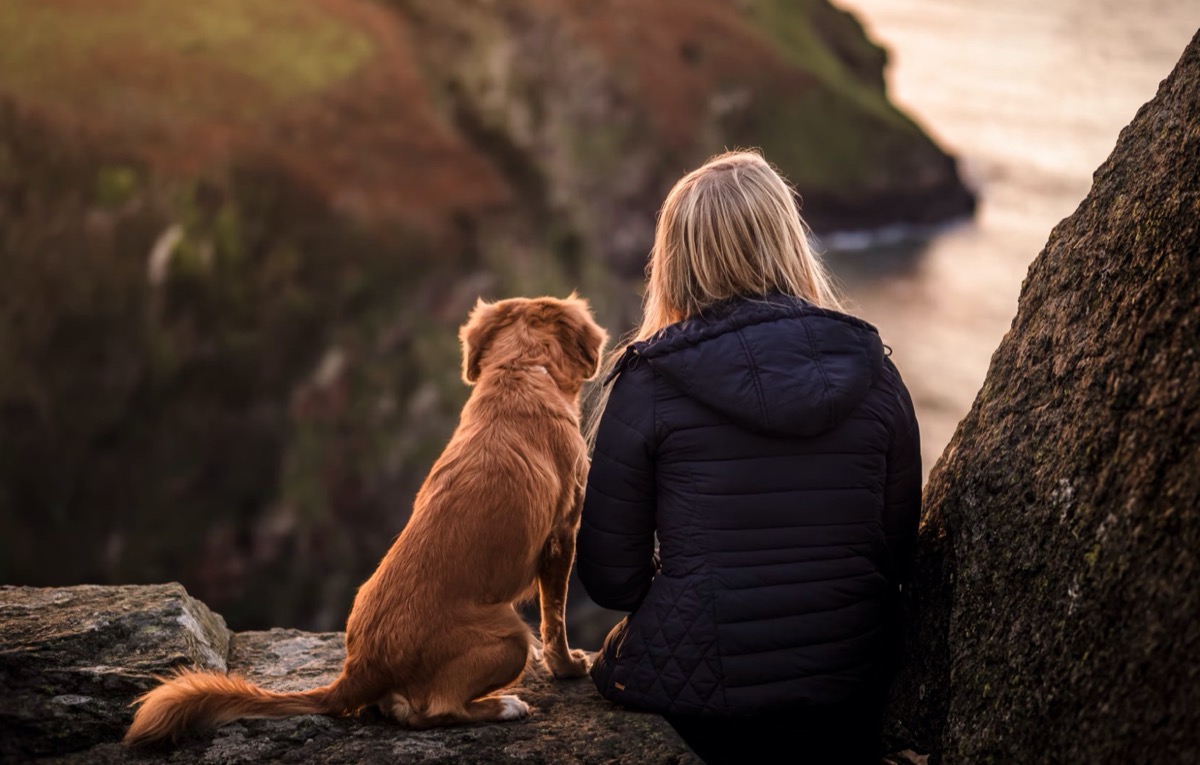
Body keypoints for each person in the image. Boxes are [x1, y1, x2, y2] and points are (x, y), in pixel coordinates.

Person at [576, 150, 921, 765]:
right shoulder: (875, 372)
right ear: (789, 241)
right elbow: (893, 553)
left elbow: (611, 580)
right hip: (848, 683)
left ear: (676, 260)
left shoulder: (648, 382)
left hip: (705, 706)